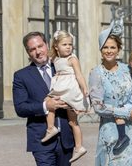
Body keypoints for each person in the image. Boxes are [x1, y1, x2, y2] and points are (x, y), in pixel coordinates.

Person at [89, 20, 132, 165]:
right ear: (100, 49)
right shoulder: (96, 73)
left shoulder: (128, 69)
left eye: (113, 47)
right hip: (112, 131)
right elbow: (98, 107)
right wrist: (126, 113)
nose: (109, 51)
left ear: (118, 49)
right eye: (105, 47)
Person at [13, 31, 74, 166]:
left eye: (40, 46)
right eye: (32, 49)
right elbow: (20, 108)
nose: (38, 52)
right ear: (28, 53)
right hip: (41, 140)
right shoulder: (21, 76)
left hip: (66, 138)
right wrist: (46, 106)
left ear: (47, 45)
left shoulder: (62, 67)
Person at [41, 30, 89, 163]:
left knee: (49, 101)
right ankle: (78, 146)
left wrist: (84, 88)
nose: (68, 47)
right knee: (72, 121)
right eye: (65, 44)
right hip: (63, 88)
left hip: (68, 89)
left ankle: (51, 128)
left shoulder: (72, 58)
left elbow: (79, 74)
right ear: (56, 46)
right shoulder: (55, 59)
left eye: (70, 44)